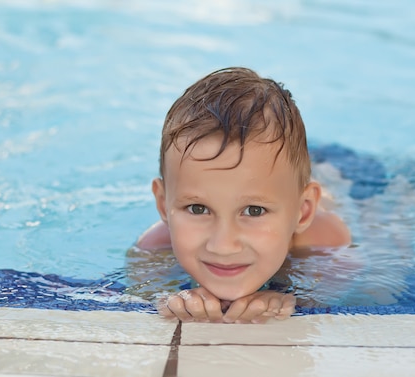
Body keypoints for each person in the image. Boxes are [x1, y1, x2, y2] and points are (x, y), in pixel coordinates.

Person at [134, 67, 352, 324]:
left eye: (254, 210)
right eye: (197, 208)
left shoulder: (326, 241)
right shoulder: (152, 249)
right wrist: (169, 297)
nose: (223, 245)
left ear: (302, 211)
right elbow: (144, 294)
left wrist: (299, 299)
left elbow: (358, 288)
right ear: (163, 204)